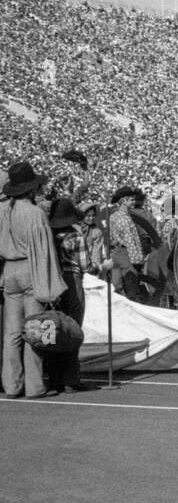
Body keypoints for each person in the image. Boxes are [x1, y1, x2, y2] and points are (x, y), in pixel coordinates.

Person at [1, 162, 66, 399]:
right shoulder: (35, 213)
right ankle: (35, 386)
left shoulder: (3, 210)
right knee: (34, 330)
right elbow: (44, 252)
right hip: (30, 269)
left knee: (11, 333)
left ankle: (11, 385)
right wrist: (50, 286)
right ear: (30, 188)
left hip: (9, 271)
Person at [47, 198, 91, 393]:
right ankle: (71, 377)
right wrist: (104, 266)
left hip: (52, 279)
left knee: (53, 328)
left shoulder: (49, 235)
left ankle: (54, 376)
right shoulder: (77, 236)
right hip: (72, 280)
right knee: (73, 328)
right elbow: (86, 266)